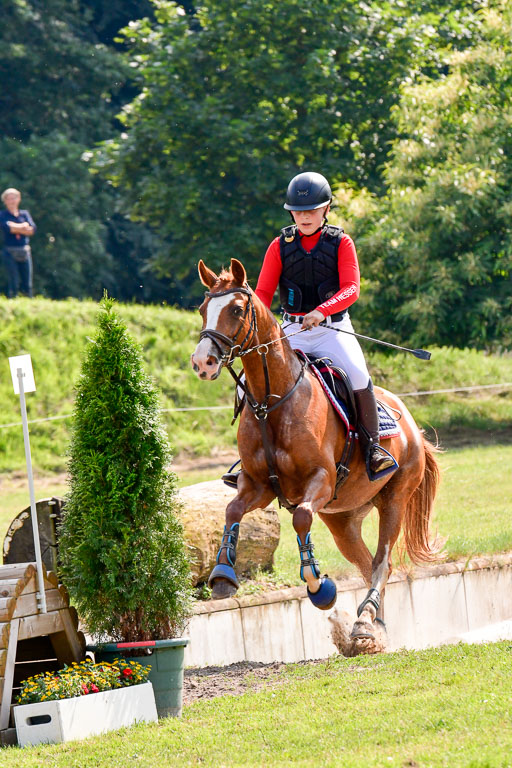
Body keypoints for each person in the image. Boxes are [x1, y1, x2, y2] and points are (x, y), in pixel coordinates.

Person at [222, 171, 396, 487]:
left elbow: (352, 288)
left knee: (357, 375)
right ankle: (248, 458)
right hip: (290, 330)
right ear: (291, 212)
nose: (304, 217)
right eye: (299, 211)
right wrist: (256, 323)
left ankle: (373, 450)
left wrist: (321, 311)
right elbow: (262, 295)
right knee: (245, 381)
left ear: (325, 209)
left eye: (311, 210)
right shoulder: (280, 246)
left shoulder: (341, 242)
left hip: (333, 330)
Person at [0, 187, 36, 298]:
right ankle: (12, 301)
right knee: (13, 281)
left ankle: (28, 303)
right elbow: (7, 228)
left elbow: (32, 229)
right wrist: (23, 226)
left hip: (24, 250)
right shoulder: (2, 215)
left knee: (27, 282)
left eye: (14, 198)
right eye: (9, 199)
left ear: (19, 199)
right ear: (5, 201)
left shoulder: (24, 214)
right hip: (9, 251)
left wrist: (15, 226)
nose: (12, 201)